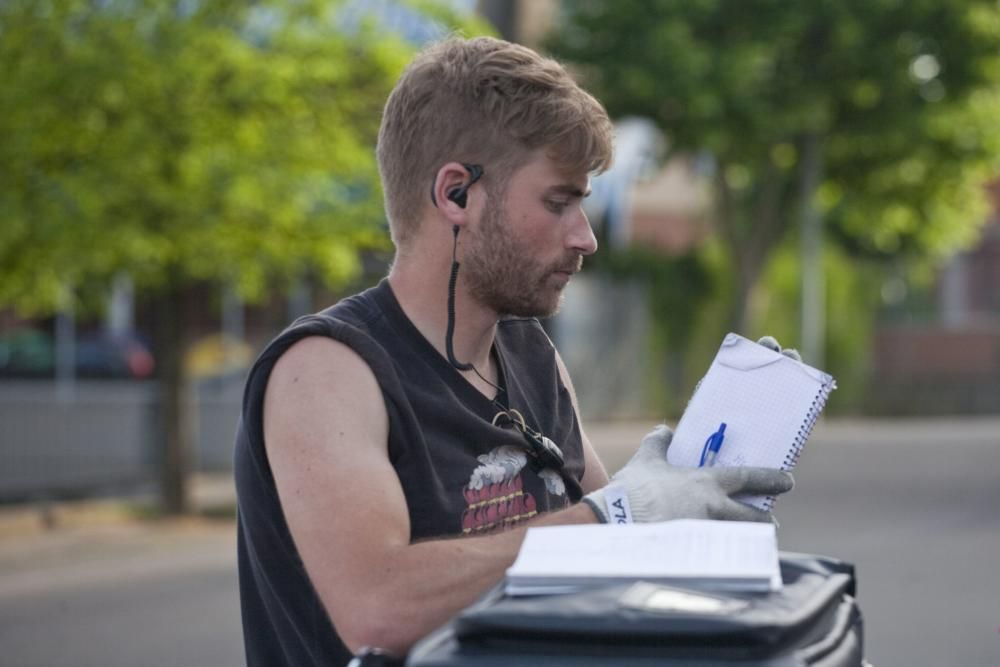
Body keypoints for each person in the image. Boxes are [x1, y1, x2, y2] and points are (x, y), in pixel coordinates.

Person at [234, 35, 795, 666]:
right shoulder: (326, 370)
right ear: (457, 195)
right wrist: (617, 516)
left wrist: (699, 477)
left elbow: (617, 549)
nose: (585, 237)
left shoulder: (530, 356)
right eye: (558, 202)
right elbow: (379, 606)